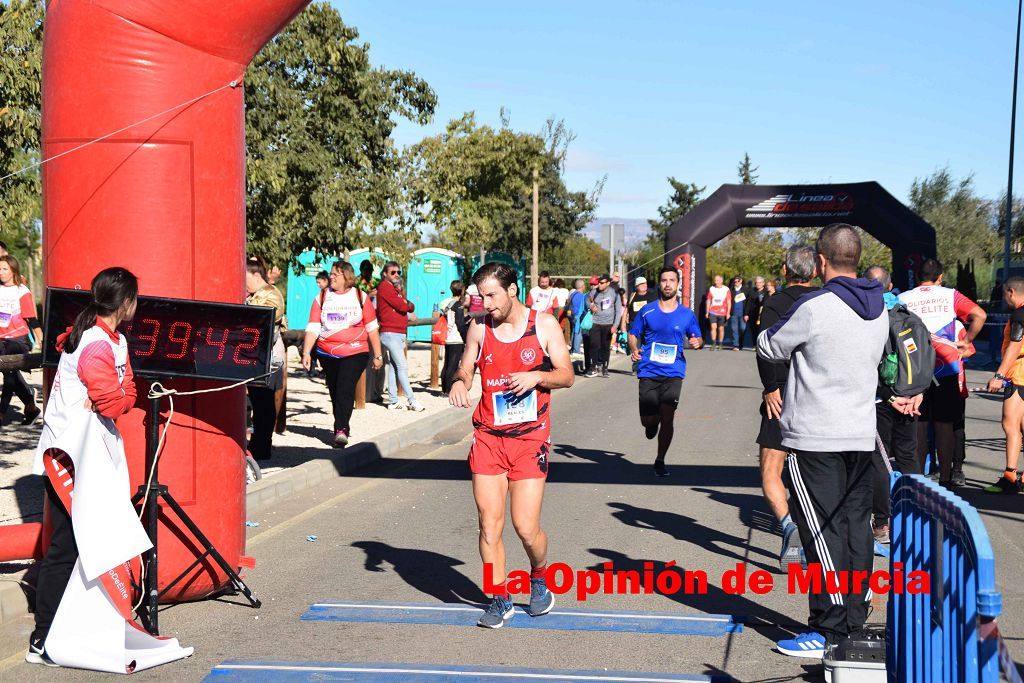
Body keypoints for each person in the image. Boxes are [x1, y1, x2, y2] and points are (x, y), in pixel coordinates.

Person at [30, 267, 192, 670]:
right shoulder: (95, 344)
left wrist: (118, 395)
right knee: (66, 547)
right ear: (126, 303)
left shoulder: (112, 339)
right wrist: (117, 396)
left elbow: (129, 391)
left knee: (84, 545)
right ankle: (42, 638)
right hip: (69, 458)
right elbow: (115, 404)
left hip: (90, 457)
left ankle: (66, 628)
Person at [758, 224, 888, 660]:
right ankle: (852, 617)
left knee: (820, 533)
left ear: (820, 261)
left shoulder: (814, 306)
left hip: (816, 435)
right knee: (855, 530)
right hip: (859, 432)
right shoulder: (880, 307)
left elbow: (772, 346)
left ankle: (828, 629)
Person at [448, 262, 574, 628]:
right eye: (480, 296)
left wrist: (537, 376)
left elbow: (566, 375)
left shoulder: (544, 325)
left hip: (529, 438)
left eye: (492, 295)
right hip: (488, 437)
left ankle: (539, 577)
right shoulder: (479, 328)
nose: (485, 304)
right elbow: (466, 366)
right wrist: (460, 381)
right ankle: (498, 597)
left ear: (513, 290)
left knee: (525, 527)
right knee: (489, 525)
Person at [755, 245, 818, 571]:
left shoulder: (776, 302)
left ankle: (789, 526)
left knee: (770, 472)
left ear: (785, 270)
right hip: (819, 398)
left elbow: (765, 347)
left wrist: (770, 387)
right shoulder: (825, 300)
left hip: (781, 396)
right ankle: (816, 536)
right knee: (818, 473)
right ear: (816, 271)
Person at [899, 258, 986, 485]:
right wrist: (966, 341)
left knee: (919, 423)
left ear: (917, 277)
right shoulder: (950, 294)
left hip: (915, 367)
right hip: (946, 365)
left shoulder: (903, 298)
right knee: (944, 424)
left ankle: (917, 479)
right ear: (940, 277)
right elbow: (981, 315)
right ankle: (946, 477)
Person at [863, 266, 927, 543]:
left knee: (879, 458)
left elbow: (863, 364)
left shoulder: (866, 315)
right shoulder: (907, 314)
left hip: (881, 398)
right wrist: (919, 392)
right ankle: (914, 519)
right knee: (909, 455)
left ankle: (882, 523)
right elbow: (923, 358)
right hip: (911, 397)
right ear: (890, 286)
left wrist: (890, 396)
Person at [628, 267, 702, 477]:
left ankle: (660, 460)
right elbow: (634, 334)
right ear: (658, 284)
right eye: (664, 280)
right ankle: (651, 425)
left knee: (668, 418)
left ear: (678, 284)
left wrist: (697, 341)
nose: (668, 284)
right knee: (649, 422)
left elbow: (698, 337)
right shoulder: (647, 310)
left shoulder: (686, 314)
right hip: (648, 371)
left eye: (672, 280)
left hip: (674, 372)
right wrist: (634, 349)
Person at [302, 260, 385, 447]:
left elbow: (372, 328)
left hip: (356, 351)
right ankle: (340, 423)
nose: (331, 277)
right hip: (327, 353)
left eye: (335, 274)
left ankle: (341, 429)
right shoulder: (322, 297)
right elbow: (313, 326)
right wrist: (307, 352)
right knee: (334, 390)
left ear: (346, 277)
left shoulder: (360, 296)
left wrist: (378, 355)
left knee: (345, 387)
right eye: (331, 274)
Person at [984, 276, 1024, 493]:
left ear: (1011, 292)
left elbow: (1015, 346)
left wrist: (999, 375)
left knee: (1010, 425)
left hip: (1018, 374)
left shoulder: (1019, 314)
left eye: (1003, 294)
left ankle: (1010, 477)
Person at [245, 258, 286, 461]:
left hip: (267, 356)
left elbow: (266, 318)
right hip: (256, 355)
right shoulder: (256, 294)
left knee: (264, 402)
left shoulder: (271, 295)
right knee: (258, 400)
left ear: (255, 275)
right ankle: (258, 443)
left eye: (245, 278)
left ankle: (262, 445)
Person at [376, 261, 423, 412]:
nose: (396, 274)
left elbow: (408, 305)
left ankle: (393, 401)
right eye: (392, 272)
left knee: (394, 367)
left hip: (397, 333)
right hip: (390, 333)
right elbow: (404, 306)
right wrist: (405, 304)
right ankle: (412, 400)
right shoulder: (384, 287)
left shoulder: (394, 289)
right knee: (402, 366)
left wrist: (404, 303)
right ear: (385, 274)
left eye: (398, 272)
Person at [0, 254, 42, 426]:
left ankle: (1, 412)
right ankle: (31, 407)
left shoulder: (22, 291)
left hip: (19, 339)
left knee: (9, 372)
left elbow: (32, 319)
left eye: (4, 269)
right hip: (1, 339)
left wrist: (42, 340)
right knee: (10, 372)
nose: (1, 272)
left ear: (13, 270)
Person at [586, 274, 621, 378]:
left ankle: (605, 368)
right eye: (599, 283)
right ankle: (594, 367)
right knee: (594, 345)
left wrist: (615, 325)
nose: (599, 285)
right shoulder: (594, 291)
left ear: (608, 283)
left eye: (602, 283)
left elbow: (618, 310)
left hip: (608, 324)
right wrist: (591, 306)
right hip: (595, 322)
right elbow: (587, 300)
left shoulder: (614, 293)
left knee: (605, 347)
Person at [440, 280, 469, 395]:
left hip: (448, 337)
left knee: (447, 365)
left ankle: (444, 388)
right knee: (453, 365)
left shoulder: (448, 304)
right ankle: (448, 390)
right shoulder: (458, 305)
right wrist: (466, 338)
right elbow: (460, 324)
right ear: (462, 291)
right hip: (456, 339)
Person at [706, 275, 730, 350]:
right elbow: (709, 300)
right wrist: (707, 312)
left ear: (721, 281)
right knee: (713, 327)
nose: (715, 282)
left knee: (721, 328)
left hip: (722, 312)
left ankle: (720, 344)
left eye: (717, 280)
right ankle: (713, 343)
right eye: (715, 280)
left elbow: (729, 301)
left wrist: (728, 312)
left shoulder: (726, 289)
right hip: (713, 311)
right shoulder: (712, 289)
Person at [746, 276, 768, 346]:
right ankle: (755, 344)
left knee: (761, 330)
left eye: (760, 283)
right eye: (756, 283)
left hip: (763, 314)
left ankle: (761, 345)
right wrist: (746, 314)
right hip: (753, 314)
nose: (758, 284)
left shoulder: (766, 292)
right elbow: (748, 303)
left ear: (763, 283)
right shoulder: (752, 291)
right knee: (753, 330)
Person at [728, 276, 748, 350]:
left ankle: (741, 343)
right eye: (735, 282)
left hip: (743, 313)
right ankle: (735, 345)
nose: (736, 283)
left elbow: (748, 302)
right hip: (734, 313)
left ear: (741, 281)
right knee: (734, 329)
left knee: (743, 329)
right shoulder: (731, 290)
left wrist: (746, 313)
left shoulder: (746, 290)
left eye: (738, 281)